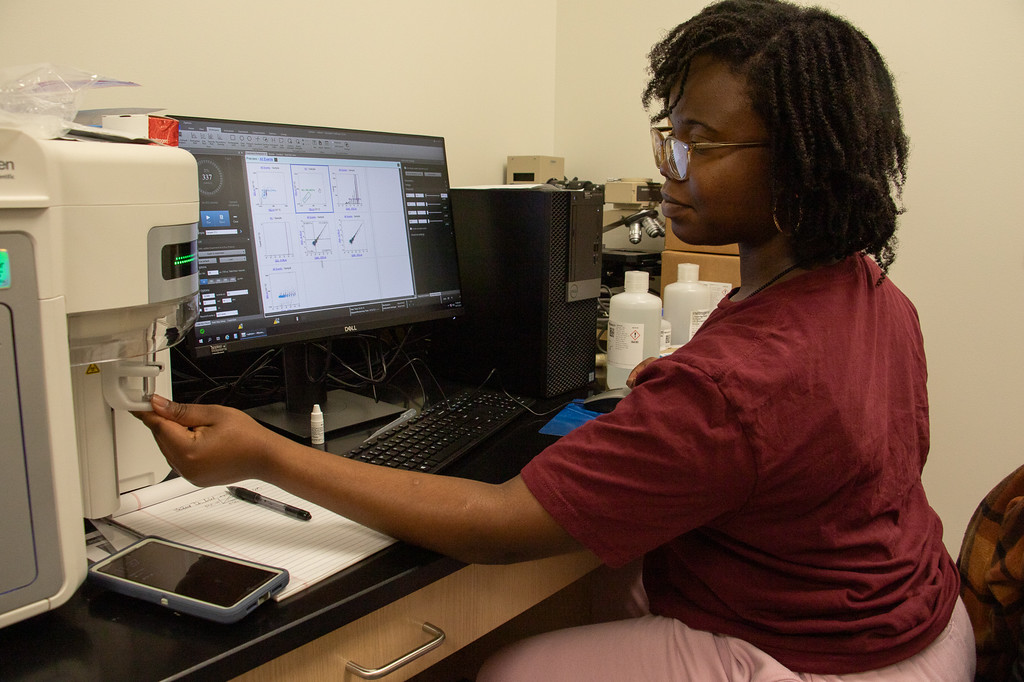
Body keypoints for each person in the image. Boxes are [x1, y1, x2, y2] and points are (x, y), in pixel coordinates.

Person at [135, 0, 976, 679]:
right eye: (670, 134)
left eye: (702, 143)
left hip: (820, 661)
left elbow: (499, 522)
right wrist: (688, 403)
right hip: (925, 619)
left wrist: (265, 456)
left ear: (801, 160)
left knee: (515, 668)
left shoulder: (734, 384)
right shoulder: (864, 287)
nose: (670, 165)